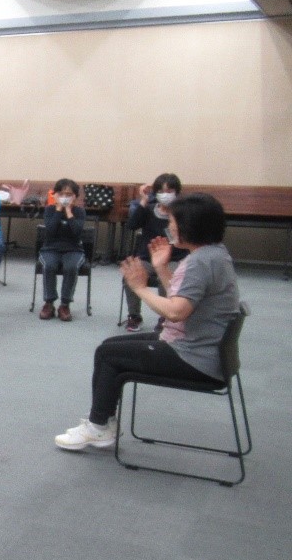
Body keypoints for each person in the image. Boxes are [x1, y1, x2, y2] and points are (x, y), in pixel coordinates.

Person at [55, 193, 239, 451]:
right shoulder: (214, 254)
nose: (169, 227)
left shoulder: (201, 262)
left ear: (190, 226)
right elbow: (183, 299)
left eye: (173, 222)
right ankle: (102, 421)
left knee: (108, 355)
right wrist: (162, 268)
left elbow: (176, 312)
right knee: (109, 346)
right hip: (202, 348)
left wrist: (140, 288)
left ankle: (98, 427)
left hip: (194, 357)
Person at [122, 173, 187, 331]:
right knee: (130, 275)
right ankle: (134, 315)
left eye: (169, 191)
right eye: (161, 191)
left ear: (177, 193)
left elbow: (182, 240)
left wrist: (173, 215)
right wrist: (143, 200)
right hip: (147, 258)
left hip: (173, 258)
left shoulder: (181, 213)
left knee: (167, 279)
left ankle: (165, 316)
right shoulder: (149, 210)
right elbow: (132, 225)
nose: (165, 195)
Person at [39, 178, 86, 322]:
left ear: (75, 197)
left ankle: (65, 304)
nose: (65, 197)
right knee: (49, 265)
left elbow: (76, 232)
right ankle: (49, 303)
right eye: (61, 194)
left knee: (71, 267)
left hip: (73, 249)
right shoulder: (49, 210)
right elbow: (50, 231)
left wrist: (68, 211)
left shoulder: (79, 212)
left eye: (69, 194)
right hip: (50, 248)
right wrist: (59, 209)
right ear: (55, 195)